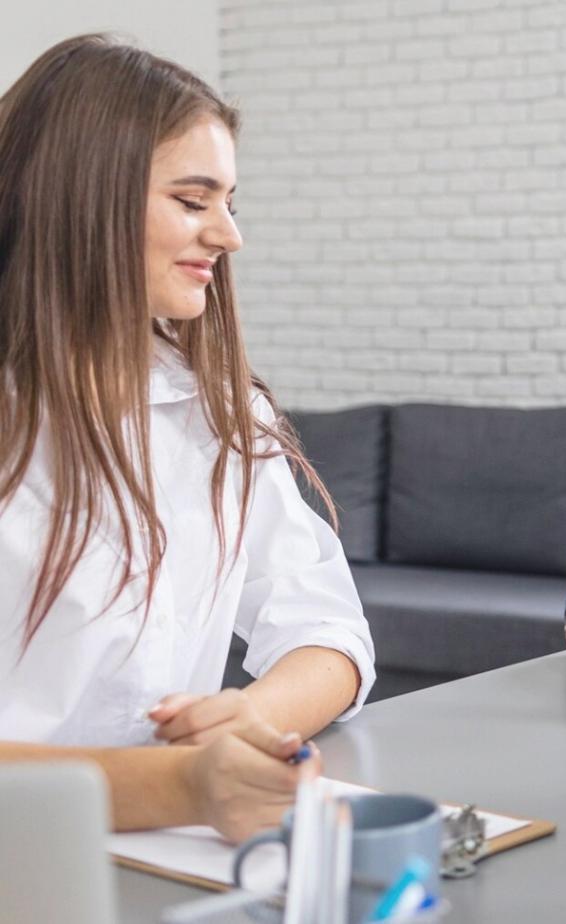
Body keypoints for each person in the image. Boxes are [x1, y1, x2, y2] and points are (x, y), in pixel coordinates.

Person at [0, 36, 376, 843]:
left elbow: (329, 630)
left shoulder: (215, 409)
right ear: (82, 197)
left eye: (229, 202)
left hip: (165, 862)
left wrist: (248, 718)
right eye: (194, 199)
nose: (229, 236)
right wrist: (181, 784)